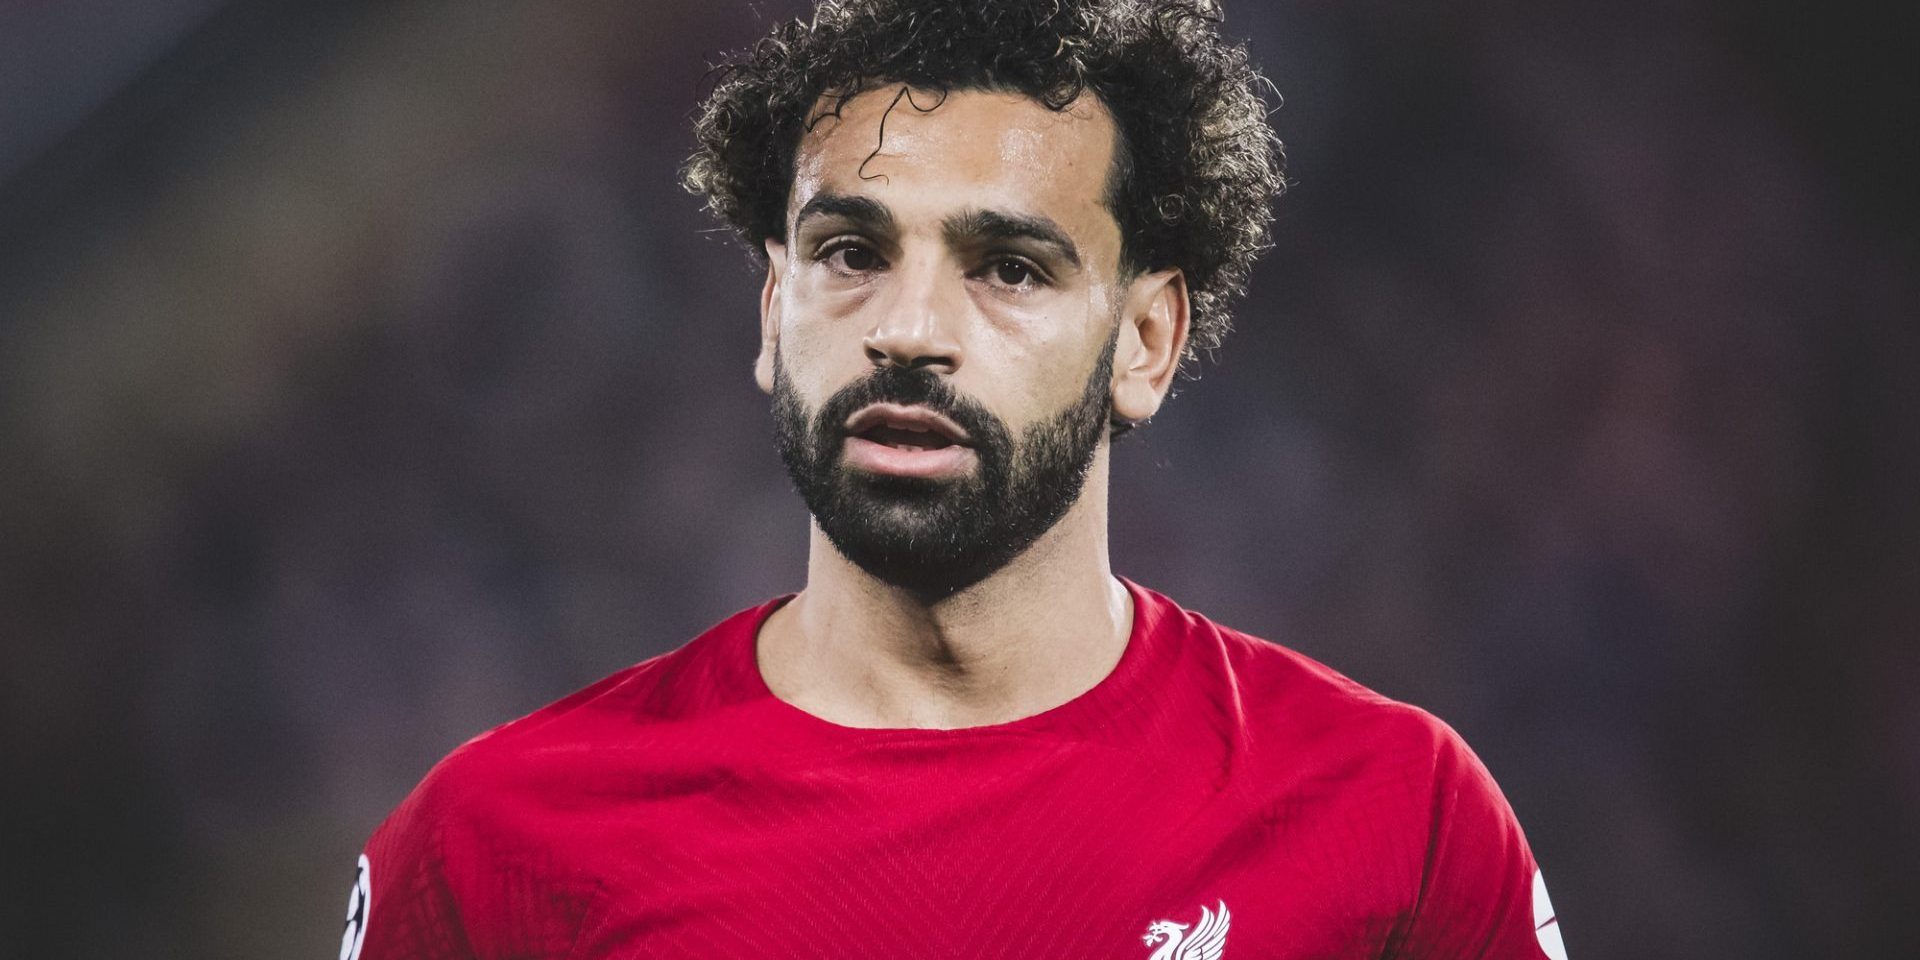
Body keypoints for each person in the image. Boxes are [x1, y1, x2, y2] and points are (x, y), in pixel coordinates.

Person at [340, 1, 1569, 957]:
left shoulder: (1393, 816)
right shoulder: (493, 850)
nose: (910, 327)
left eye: (1010, 267)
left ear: (1146, 341)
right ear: (773, 313)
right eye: (850, 253)